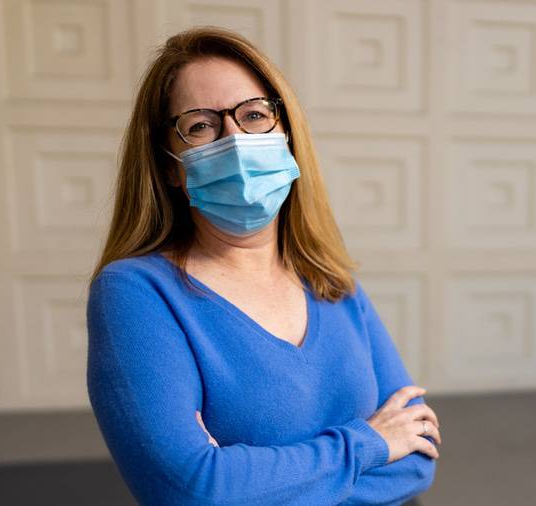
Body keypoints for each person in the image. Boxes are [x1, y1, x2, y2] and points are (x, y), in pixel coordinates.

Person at [85, 26, 441, 506]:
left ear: (288, 135)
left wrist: (251, 482)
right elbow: (193, 489)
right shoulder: (136, 293)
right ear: (171, 165)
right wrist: (371, 444)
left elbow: (418, 457)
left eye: (254, 115)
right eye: (200, 125)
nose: (233, 139)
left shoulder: (331, 280)